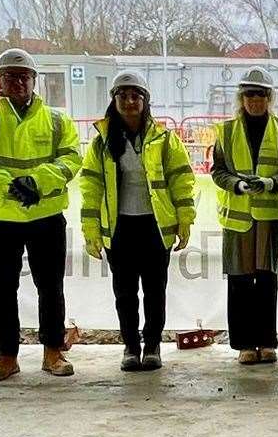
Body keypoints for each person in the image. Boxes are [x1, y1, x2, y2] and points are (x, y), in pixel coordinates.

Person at [0, 48, 82, 383]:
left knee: (50, 287)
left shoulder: (57, 121)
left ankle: (53, 352)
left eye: (24, 76)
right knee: (3, 289)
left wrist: (37, 182)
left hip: (46, 218)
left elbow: (71, 158)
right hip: (1, 219)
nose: (18, 82)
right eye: (10, 76)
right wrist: (10, 186)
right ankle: (6, 356)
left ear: (34, 81)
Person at [81, 70, 196, 372]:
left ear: (146, 101)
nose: (130, 102)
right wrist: (91, 229)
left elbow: (181, 181)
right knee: (125, 293)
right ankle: (131, 346)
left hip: (154, 228)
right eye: (123, 96)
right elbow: (91, 188)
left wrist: (185, 220)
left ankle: (153, 345)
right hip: (120, 230)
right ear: (114, 100)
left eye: (136, 96)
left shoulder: (164, 139)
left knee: (155, 292)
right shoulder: (102, 143)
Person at [212, 67, 278, 365]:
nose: (254, 100)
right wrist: (237, 184)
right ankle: (245, 344)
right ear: (241, 97)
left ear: (269, 97)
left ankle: (266, 341)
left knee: (267, 279)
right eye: (249, 94)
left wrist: (272, 183)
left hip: (270, 216)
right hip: (237, 217)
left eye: (260, 94)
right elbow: (217, 171)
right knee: (240, 280)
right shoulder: (227, 130)